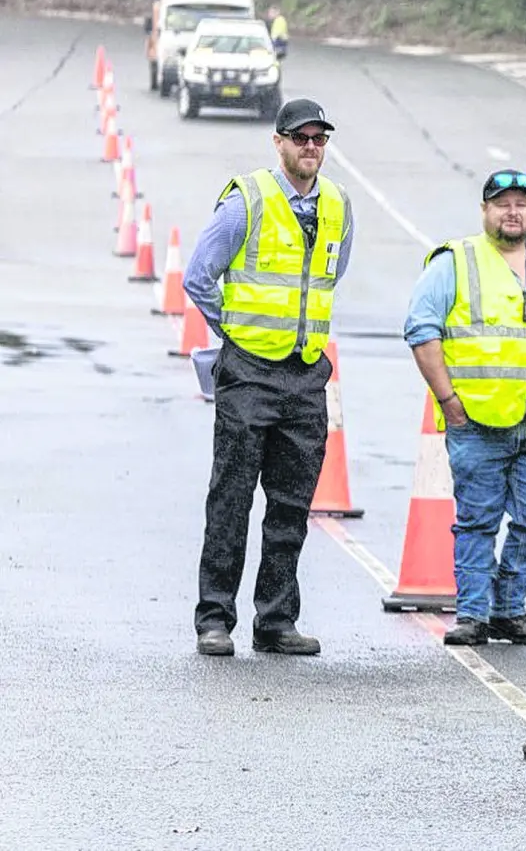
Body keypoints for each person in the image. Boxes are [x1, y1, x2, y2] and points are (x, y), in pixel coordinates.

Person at [184, 98, 354, 657]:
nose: (311, 147)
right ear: (278, 142)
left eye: (319, 139)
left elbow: (329, 279)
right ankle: (215, 619)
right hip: (250, 372)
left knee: (291, 506)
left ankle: (276, 620)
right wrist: (233, 330)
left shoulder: (336, 205)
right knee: (230, 500)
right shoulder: (247, 201)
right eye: (300, 138)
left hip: (305, 375)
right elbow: (199, 276)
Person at [403, 169, 526, 647]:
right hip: (477, 421)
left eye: (522, 204)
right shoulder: (457, 262)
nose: (513, 212)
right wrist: (448, 400)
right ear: (485, 210)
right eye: (502, 204)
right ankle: (472, 613)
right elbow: (421, 329)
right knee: (478, 520)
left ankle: (508, 608)